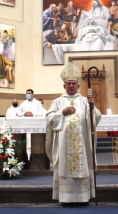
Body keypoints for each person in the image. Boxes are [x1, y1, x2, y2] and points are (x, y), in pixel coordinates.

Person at [46, 62, 101, 205]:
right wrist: (62, 112)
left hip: (81, 143)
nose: (71, 86)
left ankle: (83, 197)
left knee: (82, 164)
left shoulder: (84, 101)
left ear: (78, 85)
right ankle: (65, 198)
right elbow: (49, 119)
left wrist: (92, 106)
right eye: (68, 83)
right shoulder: (57, 101)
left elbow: (96, 117)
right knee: (65, 165)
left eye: (74, 83)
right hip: (63, 144)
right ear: (64, 86)